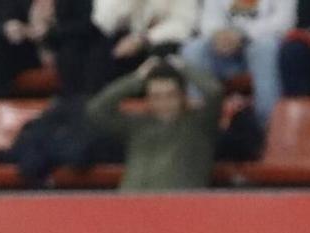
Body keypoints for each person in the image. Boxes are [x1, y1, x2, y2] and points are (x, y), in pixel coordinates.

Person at [88, 56, 224, 191]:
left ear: (183, 96)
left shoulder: (199, 125)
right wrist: (137, 78)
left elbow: (214, 92)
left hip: (178, 207)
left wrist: (183, 68)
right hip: (130, 204)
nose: (163, 102)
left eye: (170, 95)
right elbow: (96, 109)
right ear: (148, 98)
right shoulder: (136, 125)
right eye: (156, 96)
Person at [181, 0, 291, 122]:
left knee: (265, 47)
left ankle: (267, 122)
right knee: (193, 48)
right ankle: (197, 121)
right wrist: (220, 34)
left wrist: (241, 34)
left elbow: (284, 21)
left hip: (260, 43)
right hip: (223, 46)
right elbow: (209, 19)